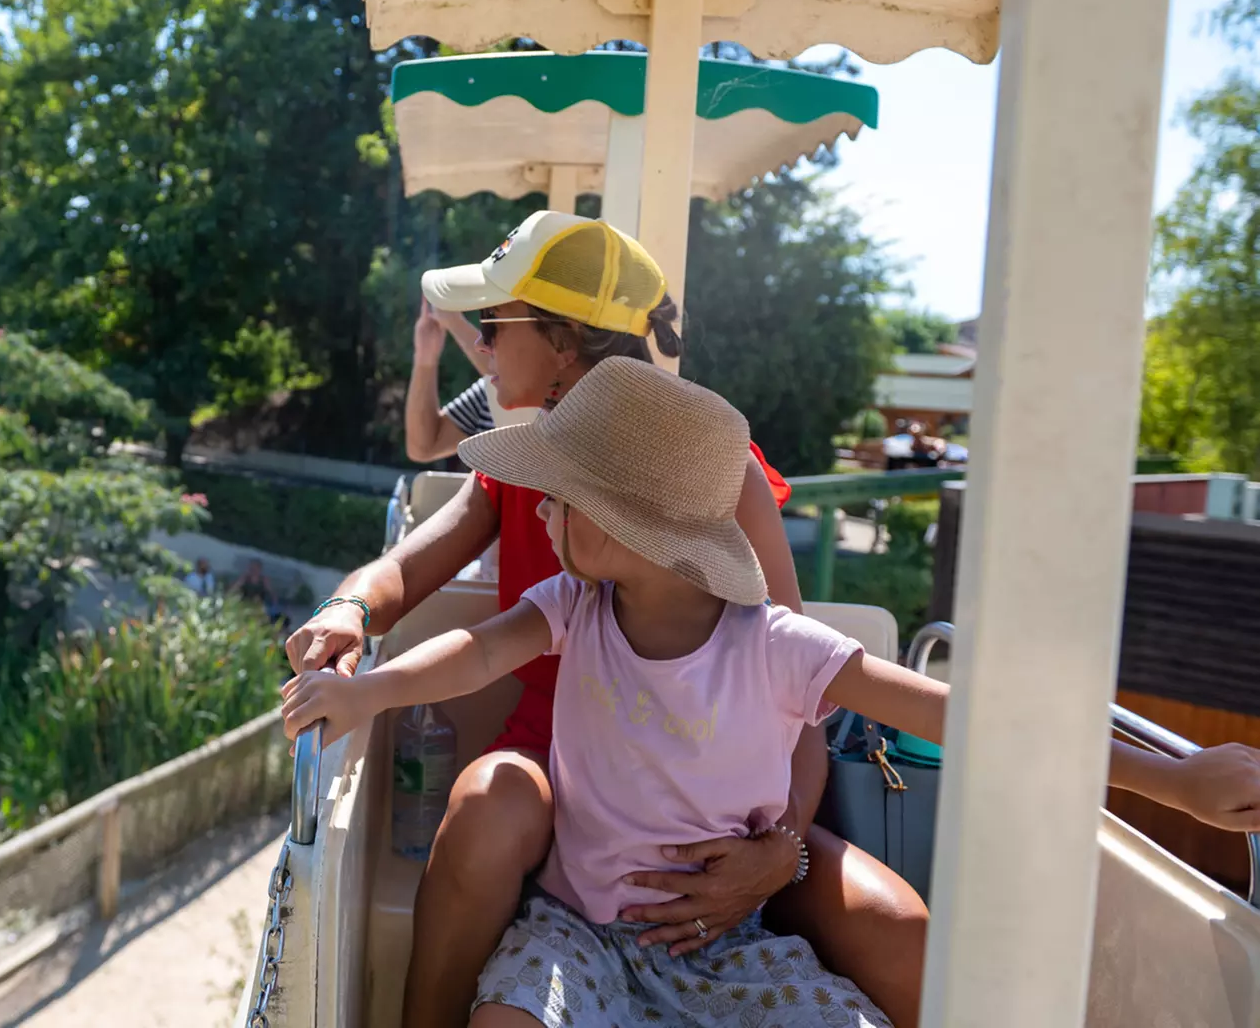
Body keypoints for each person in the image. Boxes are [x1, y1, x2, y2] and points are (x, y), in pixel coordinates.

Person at [283, 358, 1260, 1028]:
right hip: (578, 932)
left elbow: (969, 724)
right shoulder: (571, 605)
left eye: (564, 498)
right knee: (505, 1018)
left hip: (729, 945)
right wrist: (368, 694)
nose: (542, 510)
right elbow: (470, 654)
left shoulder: (786, 649)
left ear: (639, 532)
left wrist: (1168, 784)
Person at [287, 211, 930, 1027]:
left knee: (901, 929)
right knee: (489, 807)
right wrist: (348, 608)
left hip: (715, 796)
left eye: (493, 324)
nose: (480, 346)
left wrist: (778, 852)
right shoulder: (530, 462)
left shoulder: (698, 473)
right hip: (559, 769)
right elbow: (411, 564)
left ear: (560, 342)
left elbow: (788, 688)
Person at [408, 296, 499, 463]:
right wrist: (425, 359)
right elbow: (422, 448)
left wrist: (455, 323)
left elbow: (505, 374)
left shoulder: (553, 399)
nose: (481, 343)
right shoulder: (489, 390)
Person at [235, 558, 285, 624]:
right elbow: (234, 588)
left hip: (258, 604)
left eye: (255, 568)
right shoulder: (245, 578)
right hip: (245, 603)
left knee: (263, 619)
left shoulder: (264, 580)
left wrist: (275, 603)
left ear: (259, 569)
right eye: (252, 568)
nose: (253, 570)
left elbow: (271, 592)